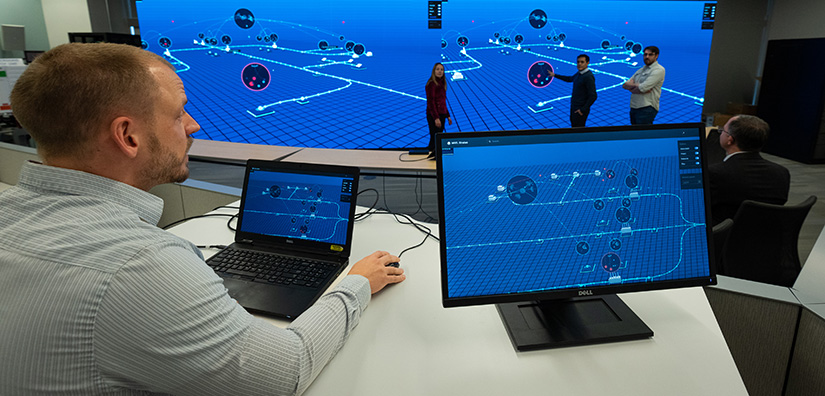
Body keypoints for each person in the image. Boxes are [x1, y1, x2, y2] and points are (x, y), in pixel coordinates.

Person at [0, 43, 405, 395]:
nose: (193, 126)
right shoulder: (140, 266)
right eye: (178, 114)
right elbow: (286, 372)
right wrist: (357, 285)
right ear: (128, 136)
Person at [708, 114, 791, 226]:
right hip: (765, 238)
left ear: (730, 140)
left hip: (723, 238)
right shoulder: (781, 173)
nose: (721, 132)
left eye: (723, 130)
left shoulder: (715, 173)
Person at [548, 54, 597, 127]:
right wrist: (555, 75)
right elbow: (569, 79)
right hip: (575, 107)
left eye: (582, 62)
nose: (579, 64)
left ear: (587, 63)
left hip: (579, 110)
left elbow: (593, 96)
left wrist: (582, 109)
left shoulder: (588, 77)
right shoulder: (579, 73)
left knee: (578, 129)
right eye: (578, 62)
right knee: (574, 126)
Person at [622, 46, 665, 125]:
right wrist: (636, 87)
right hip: (634, 108)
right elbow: (624, 85)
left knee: (643, 135)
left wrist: (632, 87)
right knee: (635, 134)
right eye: (645, 54)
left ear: (656, 56)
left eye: (650, 54)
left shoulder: (659, 70)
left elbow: (643, 88)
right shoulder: (640, 70)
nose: (647, 57)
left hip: (647, 108)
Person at [425, 62, 452, 157]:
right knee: (434, 137)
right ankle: (431, 156)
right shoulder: (431, 84)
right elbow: (431, 102)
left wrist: (447, 115)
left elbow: (443, 102)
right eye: (438, 69)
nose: (440, 71)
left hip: (442, 114)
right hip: (433, 115)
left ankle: (435, 156)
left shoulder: (442, 83)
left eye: (442, 69)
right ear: (434, 71)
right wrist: (436, 118)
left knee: (438, 136)